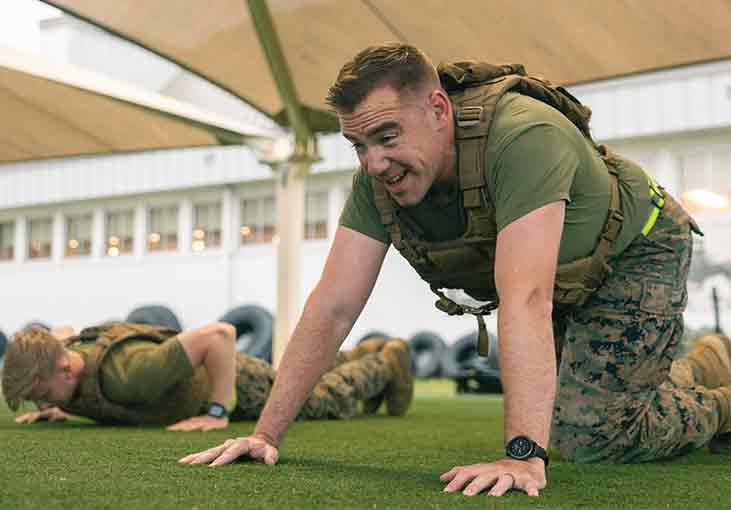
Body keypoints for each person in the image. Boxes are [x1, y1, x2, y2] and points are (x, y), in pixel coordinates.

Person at [180, 42, 731, 498]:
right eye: (358, 145)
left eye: (387, 137)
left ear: (439, 110)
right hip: (566, 271)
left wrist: (522, 457)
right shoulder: (377, 181)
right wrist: (264, 433)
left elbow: (526, 298)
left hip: (636, 248)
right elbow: (333, 306)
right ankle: (708, 361)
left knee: (590, 436)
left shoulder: (522, 137)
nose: (374, 161)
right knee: (584, 404)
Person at [1, 321, 413, 429]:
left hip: (238, 383)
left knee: (323, 399)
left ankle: (386, 362)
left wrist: (218, 411)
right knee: (291, 371)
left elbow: (219, 335)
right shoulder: (63, 354)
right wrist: (56, 404)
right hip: (221, 371)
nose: (40, 401)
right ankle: (362, 352)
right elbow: (60, 332)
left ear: (62, 368)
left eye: (39, 392)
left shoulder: (129, 376)